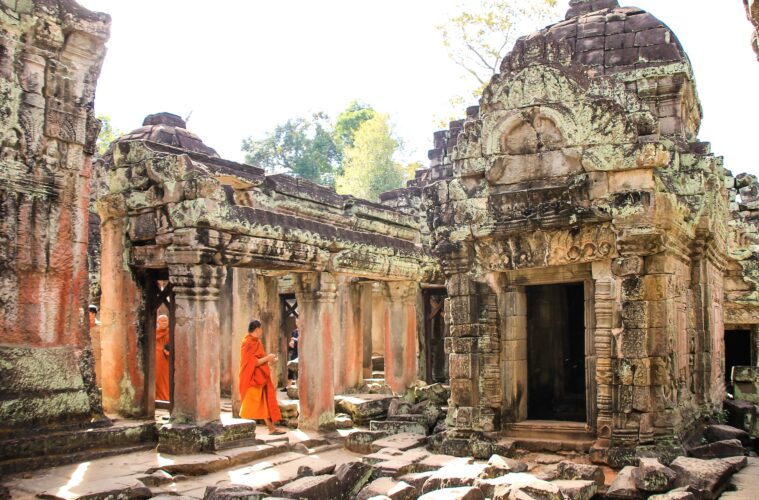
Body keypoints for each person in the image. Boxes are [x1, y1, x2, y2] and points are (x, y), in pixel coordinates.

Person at [239, 319, 284, 434]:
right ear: (257, 329)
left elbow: (260, 360)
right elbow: (252, 363)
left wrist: (270, 360)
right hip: (252, 378)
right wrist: (267, 358)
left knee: (263, 402)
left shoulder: (257, 342)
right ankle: (240, 430)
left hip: (260, 377)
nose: (262, 331)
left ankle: (271, 428)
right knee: (249, 404)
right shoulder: (247, 343)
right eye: (261, 329)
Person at [155, 314, 170, 401]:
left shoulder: (170, 332)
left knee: (164, 378)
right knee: (156, 377)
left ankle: (164, 397)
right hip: (155, 358)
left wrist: (169, 351)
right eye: (162, 321)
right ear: (158, 322)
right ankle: (155, 397)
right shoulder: (155, 332)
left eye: (166, 321)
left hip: (165, 358)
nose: (164, 323)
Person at [89, 305, 102, 387]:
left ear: (94, 314)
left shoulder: (100, 326)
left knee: (98, 370)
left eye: (91, 313)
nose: (90, 316)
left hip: (98, 353)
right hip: (89, 353)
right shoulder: (84, 326)